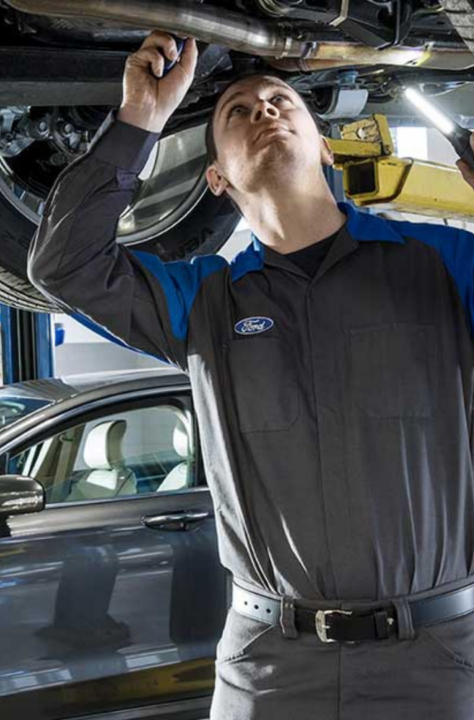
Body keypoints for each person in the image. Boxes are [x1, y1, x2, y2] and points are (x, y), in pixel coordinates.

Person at [28, 29, 474, 720]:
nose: (264, 110)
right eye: (237, 111)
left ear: (326, 147)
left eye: (281, 101)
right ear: (216, 178)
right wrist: (139, 118)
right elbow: (65, 267)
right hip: (271, 667)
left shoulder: (442, 265)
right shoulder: (203, 304)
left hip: (440, 658)